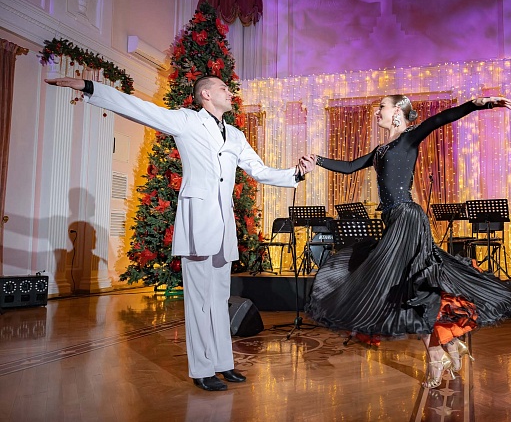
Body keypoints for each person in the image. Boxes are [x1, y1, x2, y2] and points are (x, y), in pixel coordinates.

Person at [45, 76, 315, 392]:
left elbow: (259, 170)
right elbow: (139, 109)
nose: (229, 92)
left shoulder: (236, 135)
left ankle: (223, 363)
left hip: (223, 227)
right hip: (197, 223)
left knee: (219, 299)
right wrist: (90, 88)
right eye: (223, 88)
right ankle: (202, 369)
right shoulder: (186, 120)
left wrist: (296, 172)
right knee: (199, 300)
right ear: (206, 94)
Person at [302, 95, 511, 388]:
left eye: (381, 107)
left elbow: (441, 119)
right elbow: (349, 166)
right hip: (394, 220)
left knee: (407, 287)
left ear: (397, 111)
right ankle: (448, 342)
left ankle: (436, 355)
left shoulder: (409, 137)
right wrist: (317, 160)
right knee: (414, 286)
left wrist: (477, 104)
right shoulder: (380, 150)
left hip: (408, 219)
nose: (377, 112)